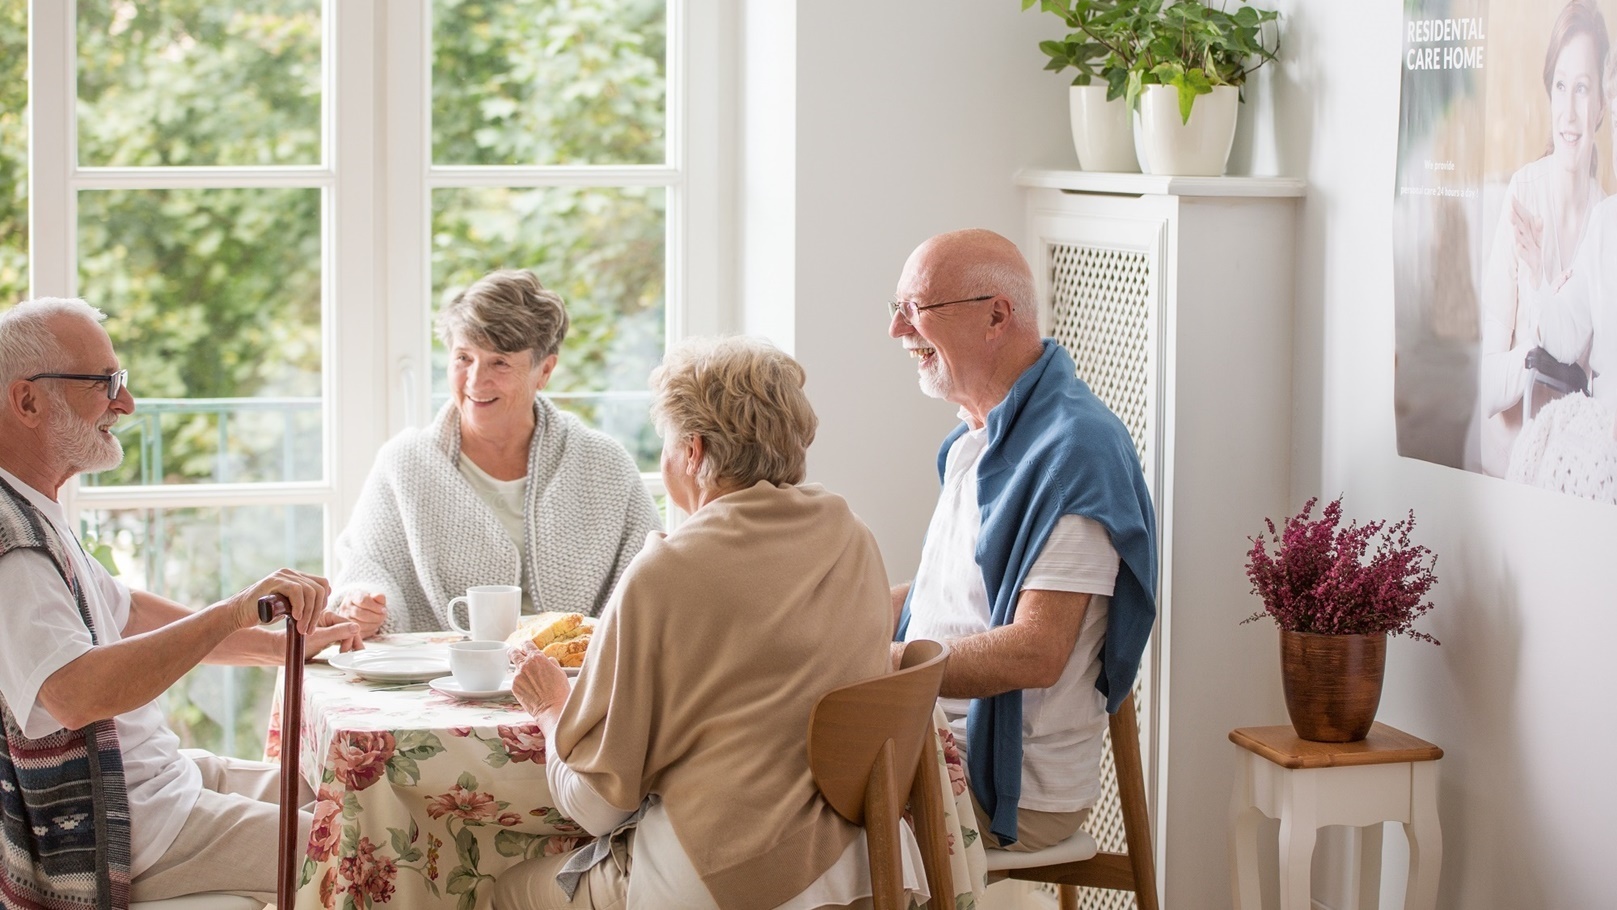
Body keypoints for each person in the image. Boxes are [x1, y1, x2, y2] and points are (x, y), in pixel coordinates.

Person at [493, 337, 913, 910]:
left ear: (692, 452)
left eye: (665, 445)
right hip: (861, 864)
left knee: (502, 888)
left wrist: (549, 709)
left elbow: (595, 807)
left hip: (728, 881)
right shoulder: (853, 537)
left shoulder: (665, 572)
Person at [0, 297, 361, 905]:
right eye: (104, 383)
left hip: (156, 781)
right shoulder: (15, 547)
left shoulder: (34, 508)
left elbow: (128, 610)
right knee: (370, 852)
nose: (126, 403)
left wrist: (273, 646)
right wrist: (235, 609)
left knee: (361, 793)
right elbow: (77, 693)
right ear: (28, 401)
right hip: (125, 825)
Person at [887, 229, 1157, 852]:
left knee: (778, 815)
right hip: (933, 737)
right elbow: (948, 601)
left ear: (996, 316)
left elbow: (1036, 650)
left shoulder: (1074, 454)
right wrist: (824, 622)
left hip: (1004, 786)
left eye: (916, 310)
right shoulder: (975, 439)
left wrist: (881, 668)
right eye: (896, 309)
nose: (898, 332)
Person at [330, 269, 660, 636]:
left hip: (576, 679)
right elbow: (366, 570)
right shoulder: (405, 463)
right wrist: (364, 606)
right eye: (463, 358)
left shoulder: (603, 464)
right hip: (438, 678)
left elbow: (652, 578)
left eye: (499, 362)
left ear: (544, 370)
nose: (475, 381)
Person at [1478, 0, 1609, 477]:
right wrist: (1538, 329)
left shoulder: (1607, 227)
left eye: (1583, 88)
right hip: (1510, 470)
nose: (1570, 112)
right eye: (1560, 87)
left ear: (1601, 103)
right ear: (1548, 93)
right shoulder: (1522, 197)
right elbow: (1487, 387)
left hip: (1570, 478)